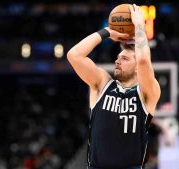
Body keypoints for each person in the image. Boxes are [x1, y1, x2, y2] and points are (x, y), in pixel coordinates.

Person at [67, 4, 161, 169]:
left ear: (137, 66)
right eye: (118, 57)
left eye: (125, 59)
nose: (117, 61)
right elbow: (74, 55)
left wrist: (140, 25)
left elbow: (144, 60)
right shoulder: (102, 83)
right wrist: (107, 32)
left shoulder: (147, 93)